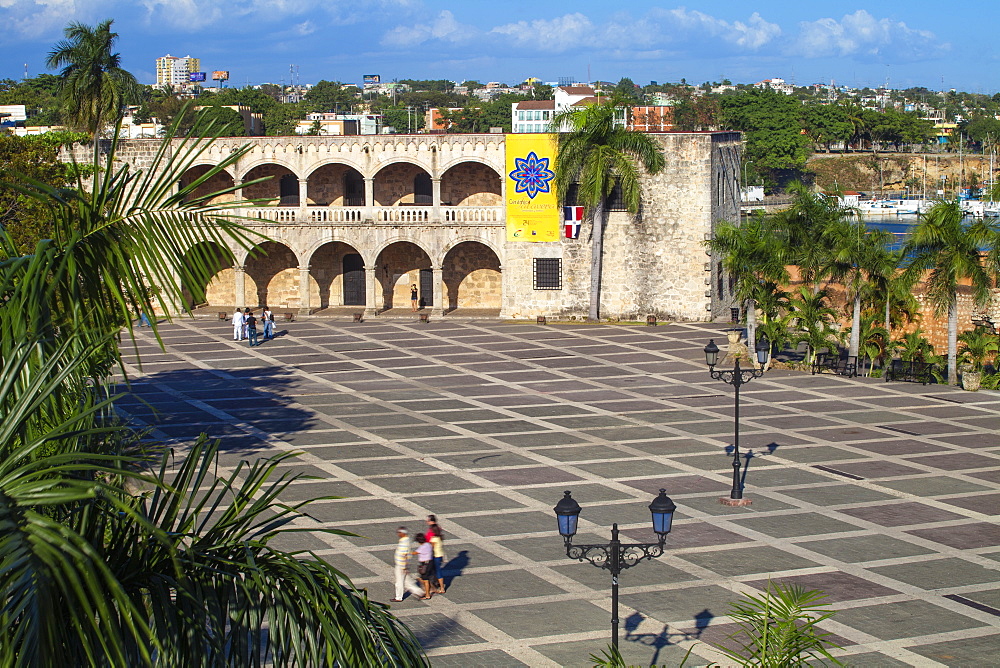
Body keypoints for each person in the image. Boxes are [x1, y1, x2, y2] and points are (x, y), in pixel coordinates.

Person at [390, 527, 424, 602]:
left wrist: (404, 567)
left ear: (403, 533)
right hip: (403, 565)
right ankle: (419, 592)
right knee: (407, 581)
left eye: (399, 532)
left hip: (401, 565)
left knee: (399, 582)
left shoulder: (404, 542)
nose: (398, 534)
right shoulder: (406, 540)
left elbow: (404, 555)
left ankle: (398, 597)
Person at [426, 515, 447, 594]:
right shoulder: (439, 537)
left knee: (436, 571)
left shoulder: (434, 539)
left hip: (435, 556)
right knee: (436, 571)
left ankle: (439, 587)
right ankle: (439, 586)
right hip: (440, 555)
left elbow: (431, 547)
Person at [412, 533, 435, 600]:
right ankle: (430, 589)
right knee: (424, 578)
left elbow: (415, 553)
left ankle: (427, 594)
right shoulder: (428, 544)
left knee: (425, 580)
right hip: (429, 562)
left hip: (425, 564)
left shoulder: (422, 547)